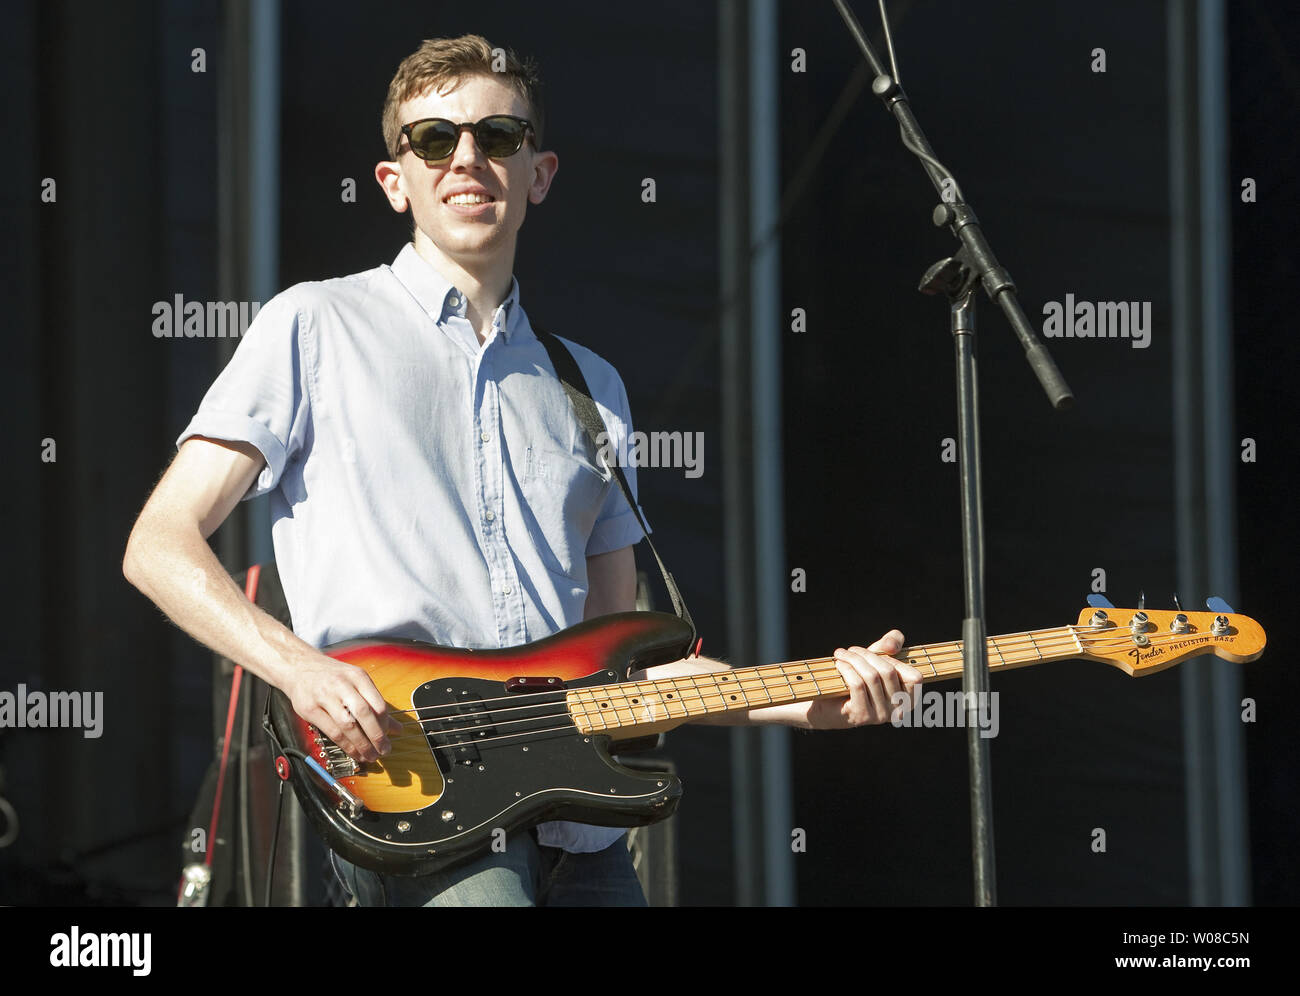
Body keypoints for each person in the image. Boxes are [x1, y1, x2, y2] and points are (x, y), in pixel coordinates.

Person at [123, 34, 922, 907]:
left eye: (498, 135)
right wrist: (298, 669)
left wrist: (809, 701)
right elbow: (159, 544)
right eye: (434, 140)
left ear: (538, 173)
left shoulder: (591, 387)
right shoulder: (311, 326)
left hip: (583, 837)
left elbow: (629, 668)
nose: (467, 157)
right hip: (413, 798)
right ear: (396, 181)